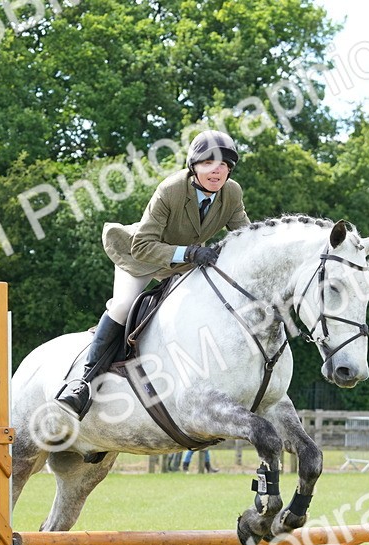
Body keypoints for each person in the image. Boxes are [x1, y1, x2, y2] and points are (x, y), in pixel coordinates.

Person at [55, 130, 251, 419]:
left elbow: (245, 235)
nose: (217, 170)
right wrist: (190, 253)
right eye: (209, 162)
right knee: (123, 306)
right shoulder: (171, 189)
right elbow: (143, 245)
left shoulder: (231, 193)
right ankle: (81, 383)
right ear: (194, 166)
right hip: (139, 256)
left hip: (185, 262)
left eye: (224, 165)